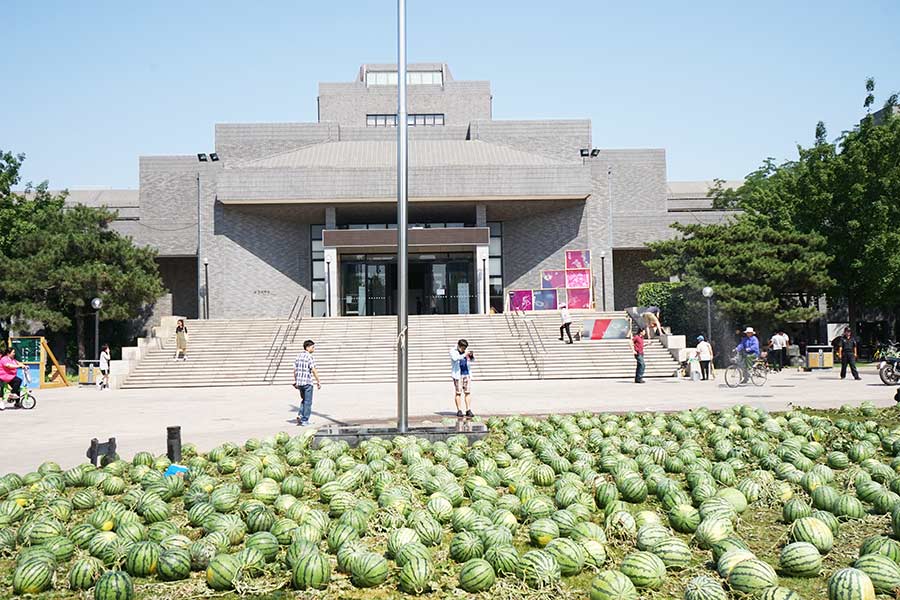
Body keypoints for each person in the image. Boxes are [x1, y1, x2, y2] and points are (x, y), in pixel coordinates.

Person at [293, 339, 322, 426]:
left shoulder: (298, 356)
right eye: (313, 347)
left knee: (304, 400)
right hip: (307, 382)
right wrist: (318, 381)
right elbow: (313, 370)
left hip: (300, 383)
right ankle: (305, 420)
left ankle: (300, 415)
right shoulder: (309, 357)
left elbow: (294, 370)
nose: (314, 349)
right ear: (308, 347)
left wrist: (296, 381)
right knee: (308, 402)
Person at [450, 339, 474, 417]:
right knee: (458, 392)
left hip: (466, 374)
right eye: (463, 348)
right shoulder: (453, 350)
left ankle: (468, 409)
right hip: (458, 375)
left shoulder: (466, 351)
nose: (464, 349)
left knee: (467, 392)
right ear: (459, 346)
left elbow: (472, 360)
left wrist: (471, 356)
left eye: (465, 348)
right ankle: (459, 410)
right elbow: (455, 358)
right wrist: (464, 354)